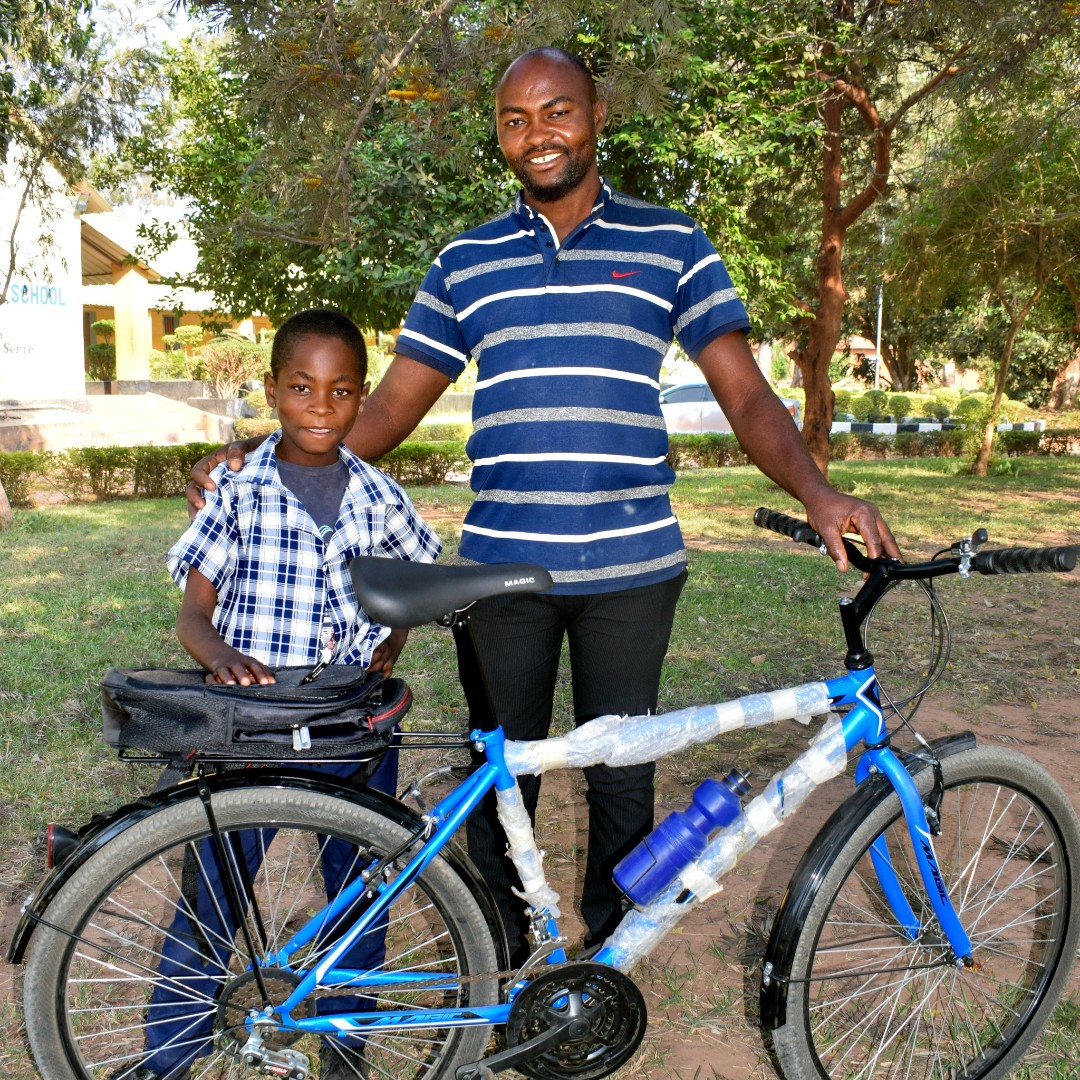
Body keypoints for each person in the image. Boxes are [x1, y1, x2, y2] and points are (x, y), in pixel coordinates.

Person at [188, 48, 899, 969]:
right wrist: (266, 464)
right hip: (501, 571)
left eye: (556, 112)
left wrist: (818, 488)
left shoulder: (672, 243)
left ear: (597, 114)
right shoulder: (465, 261)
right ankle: (498, 948)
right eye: (515, 121)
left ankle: (605, 960)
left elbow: (747, 395)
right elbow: (392, 405)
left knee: (621, 773)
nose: (538, 136)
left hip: (633, 571)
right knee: (501, 776)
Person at [130, 308, 441, 1080]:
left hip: (354, 727)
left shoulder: (378, 494)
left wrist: (386, 646)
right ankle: (167, 1054)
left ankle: (347, 1050)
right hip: (256, 723)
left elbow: (409, 589)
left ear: (362, 398)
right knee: (216, 891)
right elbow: (192, 612)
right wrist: (219, 656)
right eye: (301, 387)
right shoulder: (238, 487)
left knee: (360, 892)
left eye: (340, 392)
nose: (320, 407)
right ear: (272, 389)